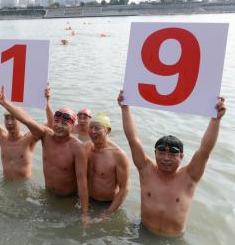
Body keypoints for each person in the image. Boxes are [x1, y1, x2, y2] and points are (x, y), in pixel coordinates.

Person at [118, 90, 226, 237]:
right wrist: (125, 108)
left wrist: (216, 120)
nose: (166, 158)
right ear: (155, 153)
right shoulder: (146, 170)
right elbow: (133, 140)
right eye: (161, 153)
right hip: (143, 232)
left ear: (181, 156)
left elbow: (205, 150)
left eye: (172, 154)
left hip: (173, 239)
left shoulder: (190, 176)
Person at [0, 87, 90, 223]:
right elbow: (27, 120)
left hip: (68, 199)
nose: (58, 126)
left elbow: (82, 181)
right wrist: (4, 102)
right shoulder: (46, 135)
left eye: (64, 123)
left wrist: (85, 213)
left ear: (72, 126)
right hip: (47, 194)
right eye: (56, 122)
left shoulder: (77, 148)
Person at [0, 81, 39, 180]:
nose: (9, 123)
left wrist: (47, 101)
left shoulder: (30, 138)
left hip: (23, 187)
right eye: (7, 118)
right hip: (5, 184)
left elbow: (50, 126)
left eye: (13, 118)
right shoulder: (1, 135)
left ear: (20, 120)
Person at [86, 112, 130, 221]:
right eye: (91, 127)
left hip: (107, 204)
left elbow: (124, 189)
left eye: (97, 128)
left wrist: (108, 213)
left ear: (108, 130)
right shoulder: (86, 148)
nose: (93, 131)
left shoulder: (118, 155)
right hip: (87, 201)